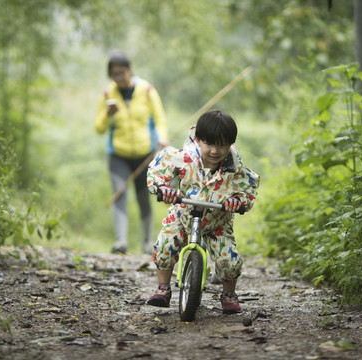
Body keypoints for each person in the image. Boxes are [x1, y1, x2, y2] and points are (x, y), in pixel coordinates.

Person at [145, 110, 260, 314]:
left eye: (222, 145)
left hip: (217, 221)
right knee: (165, 246)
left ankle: (228, 294)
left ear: (231, 144)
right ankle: (163, 288)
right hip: (183, 214)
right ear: (198, 140)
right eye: (209, 144)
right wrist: (163, 188)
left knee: (229, 261)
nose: (215, 151)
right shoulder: (185, 157)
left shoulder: (235, 167)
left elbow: (249, 186)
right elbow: (158, 168)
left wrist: (238, 201)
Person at [95, 51, 169, 254]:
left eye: (121, 73)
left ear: (130, 71)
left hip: (145, 155)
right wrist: (106, 115)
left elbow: (160, 118)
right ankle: (121, 242)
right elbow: (99, 128)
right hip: (118, 154)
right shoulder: (108, 94)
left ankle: (146, 243)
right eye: (113, 74)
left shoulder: (146, 90)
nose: (118, 78)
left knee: (144, 196)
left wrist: (162, 137)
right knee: (119, 194)